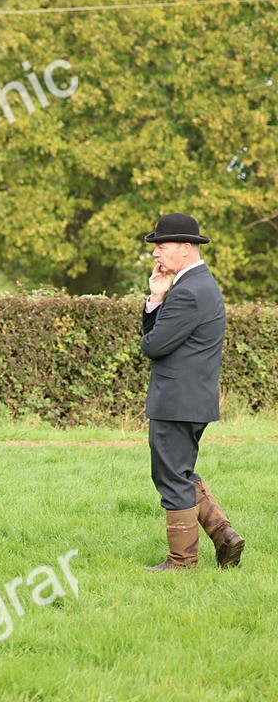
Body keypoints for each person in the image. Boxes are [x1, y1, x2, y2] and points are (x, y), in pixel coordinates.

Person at [140, 212, 244, 571]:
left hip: (177, 401)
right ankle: (225, 536)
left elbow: (153, 345)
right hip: (190, 399)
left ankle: (182, 562)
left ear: (185, 249)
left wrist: (158, 303)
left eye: (161, 247)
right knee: (179, 471)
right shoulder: (195, 285)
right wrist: (156, 298)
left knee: (171, 476)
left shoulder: (189, 292)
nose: (155, 254)